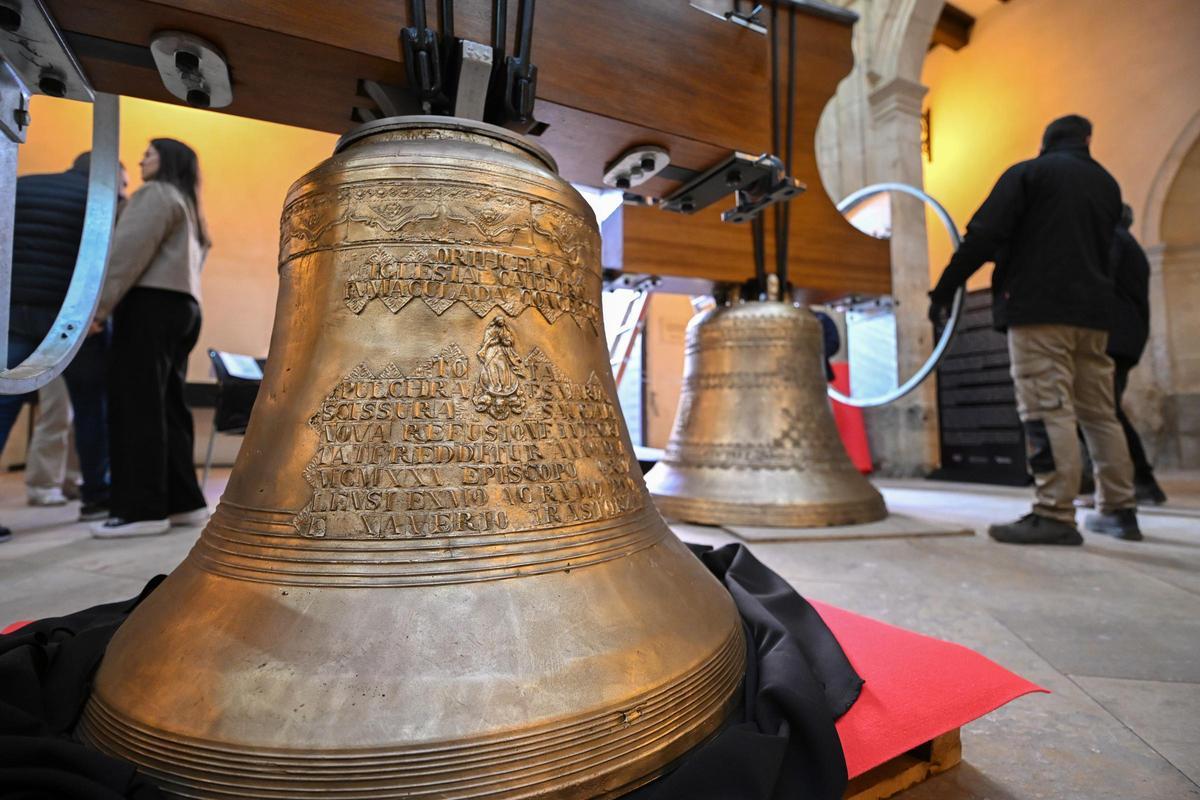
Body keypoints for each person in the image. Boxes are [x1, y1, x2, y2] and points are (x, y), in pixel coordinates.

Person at [928, 114, 1140, 545]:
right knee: (1101, 414)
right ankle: (1119, 509)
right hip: (1095, 317)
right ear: (1085, 140)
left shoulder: (1030, 173)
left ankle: (1054, 512)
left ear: (1046, 141)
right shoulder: (1107, 186)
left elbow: (983, 234)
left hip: (1039, 310)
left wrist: (945, 288)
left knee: (1046, 409)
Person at [90, 138, 210, 538]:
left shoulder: (157, 193)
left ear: (168, 160)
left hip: (149, 306)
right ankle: (183, 502)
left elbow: (128, 252)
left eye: (150, 152)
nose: (142, 158)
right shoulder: (189, 206)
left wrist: (98, 307)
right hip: (183, 308)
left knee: (134, 404)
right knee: (168, 406)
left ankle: (141, 509)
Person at [0, 152, 121, 543]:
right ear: (104, 171)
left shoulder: (24, 184)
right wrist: (100, 312)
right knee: (90, 406)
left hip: (13, 312)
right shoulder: (101, 199)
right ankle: (96, 498)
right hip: (69, 319)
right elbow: (108, 261)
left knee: (3, 404)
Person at [1078, 204, 1167, 506]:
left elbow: (1098, 277)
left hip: (1112, 337)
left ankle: (1138, 482)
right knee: (1106, 410)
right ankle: (1137, 482)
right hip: (1125, 338)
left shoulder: (1114, 240)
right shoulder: (1128, 244)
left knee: (1102, 412)